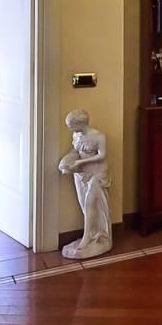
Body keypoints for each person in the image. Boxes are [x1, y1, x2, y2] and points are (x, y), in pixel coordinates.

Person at [57, 109, 112, 260]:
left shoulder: (98, 136)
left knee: (89, 204)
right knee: (84, 205)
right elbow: (75, 150)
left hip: (97, 173)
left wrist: (80, 162)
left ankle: (87, 238)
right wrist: (67, 161)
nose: (70, 129)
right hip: (81, 173)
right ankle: (92, 233)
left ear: (81, 123)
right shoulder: (76, 135)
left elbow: (102, 156)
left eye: (71, 126)